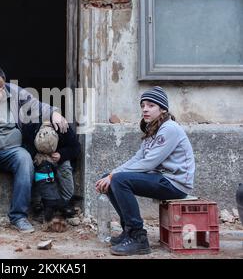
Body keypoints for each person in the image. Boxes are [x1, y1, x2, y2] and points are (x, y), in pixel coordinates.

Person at [0, 66, 69, 236]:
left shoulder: (15, 92)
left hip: (13, 150)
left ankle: (18, 217)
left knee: (25, 160)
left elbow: (36, 105)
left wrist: (54, 113)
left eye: (1, 89)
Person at [95, 86, 195, 256]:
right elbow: (138, 158)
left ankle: (139, 238)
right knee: (112, 179)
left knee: (118, 180)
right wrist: (111, 174)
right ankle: (129, 230)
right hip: (161, 178)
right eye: (143, 106)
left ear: (162, 108)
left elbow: (149, 163)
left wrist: (115, 176)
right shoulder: (152, 129)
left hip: (175, 183)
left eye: (150, 105)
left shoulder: (169, 128)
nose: (145, 109)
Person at [23, 121, 81, 220]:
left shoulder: (64, 129)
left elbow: (76, 148)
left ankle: (65, 204)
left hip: (59, 158)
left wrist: (61, 155)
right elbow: (25, 147)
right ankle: (38, 206)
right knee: (32, 167)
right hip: (39, 159)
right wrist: (38, 156)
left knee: (65, 166)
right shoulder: (31, 128)